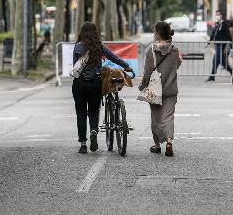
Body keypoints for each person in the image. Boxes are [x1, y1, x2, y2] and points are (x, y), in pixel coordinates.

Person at [72, 21, 132, 154]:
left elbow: (75, 66)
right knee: (94, 111)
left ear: (82, 32)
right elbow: (114, 58)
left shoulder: (78, 47)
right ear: (95, 32)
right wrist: (126, 66)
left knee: (81, 114)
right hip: (95, 82)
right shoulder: (99, 46)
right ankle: (93, 131)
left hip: (80, 83)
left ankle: (83, 144)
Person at [139, 21, 182, 157]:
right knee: (168, 116)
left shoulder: (151, 50)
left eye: (154, 32)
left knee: (156, 118)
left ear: (158, 34)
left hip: (155, 90)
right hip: (171, 89)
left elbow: (147, 72)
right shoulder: (175, 50)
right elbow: (177, 64)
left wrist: (142, 85)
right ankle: (169, 142)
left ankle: (157, 145)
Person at [206, 10, 233, 82]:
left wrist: (231, 47)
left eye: (219, 14)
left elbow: (228, 36)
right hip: (217, 45)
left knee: (216, 60)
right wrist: (209, 42)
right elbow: (213, 34)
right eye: (216, 14)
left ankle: (212, 76)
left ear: (221, 16)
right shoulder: (217, 24)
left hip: (222, 46)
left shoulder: (225, 25)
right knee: (221, 62)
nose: (217, 16)